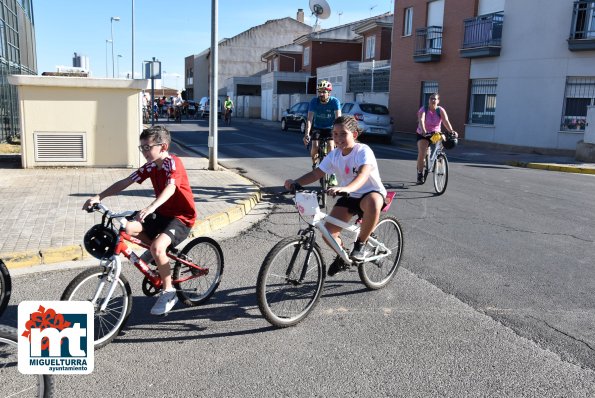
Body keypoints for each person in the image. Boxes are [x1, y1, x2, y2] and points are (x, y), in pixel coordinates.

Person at [82, 125, 197, 316]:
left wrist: (151, 207)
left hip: (181, 217)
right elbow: (126, 182)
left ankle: (169, 292)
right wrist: (98, 197)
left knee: (158, 248)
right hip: (162, 213)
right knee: (127, 227)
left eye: (148, 147)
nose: (144, 152)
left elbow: (171, 188)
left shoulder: (172, 163)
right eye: (141, 147)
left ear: (163, 147)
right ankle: (154, 253)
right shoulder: (151, 166)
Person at [286, 115, 387, 276]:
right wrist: (296, 183)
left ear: (354, 135)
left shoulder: (363, 151)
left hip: (370, 193)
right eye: (335, 134)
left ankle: (360, 245)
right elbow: (317, 173)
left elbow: (362, 175)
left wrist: (346, 188)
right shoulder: (334, 155)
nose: (338, 138)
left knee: (373, 202)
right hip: (349, 194)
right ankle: (343, 256)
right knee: (328, 232)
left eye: (343, 134)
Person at [303, 80, 341, 186]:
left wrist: (338, 135)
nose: (321, 94)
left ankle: (332, 174)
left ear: (329, 93)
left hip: (330, 128)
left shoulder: (335, 102)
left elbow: (338, 118)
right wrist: (307, 134)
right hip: (318, 127)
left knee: (331, 146)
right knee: (315, 146)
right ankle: (314, 164)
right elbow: (309, 119)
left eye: (324, 92)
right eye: (320, 92)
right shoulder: (314, 102)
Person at [416, 93, 458, 184]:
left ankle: (439, 157)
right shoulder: (424, 109)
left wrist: (452, 131)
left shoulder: (440, 110)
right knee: (422, 153)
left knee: (443, 137)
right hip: (423, 134)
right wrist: (424, 130)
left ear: (438, 101)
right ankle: (420, 173)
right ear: (429, 100)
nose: (433, 100)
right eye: (431, 98)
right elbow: (421, 120)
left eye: (435, 99)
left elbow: (446, 121)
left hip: (435, 134)